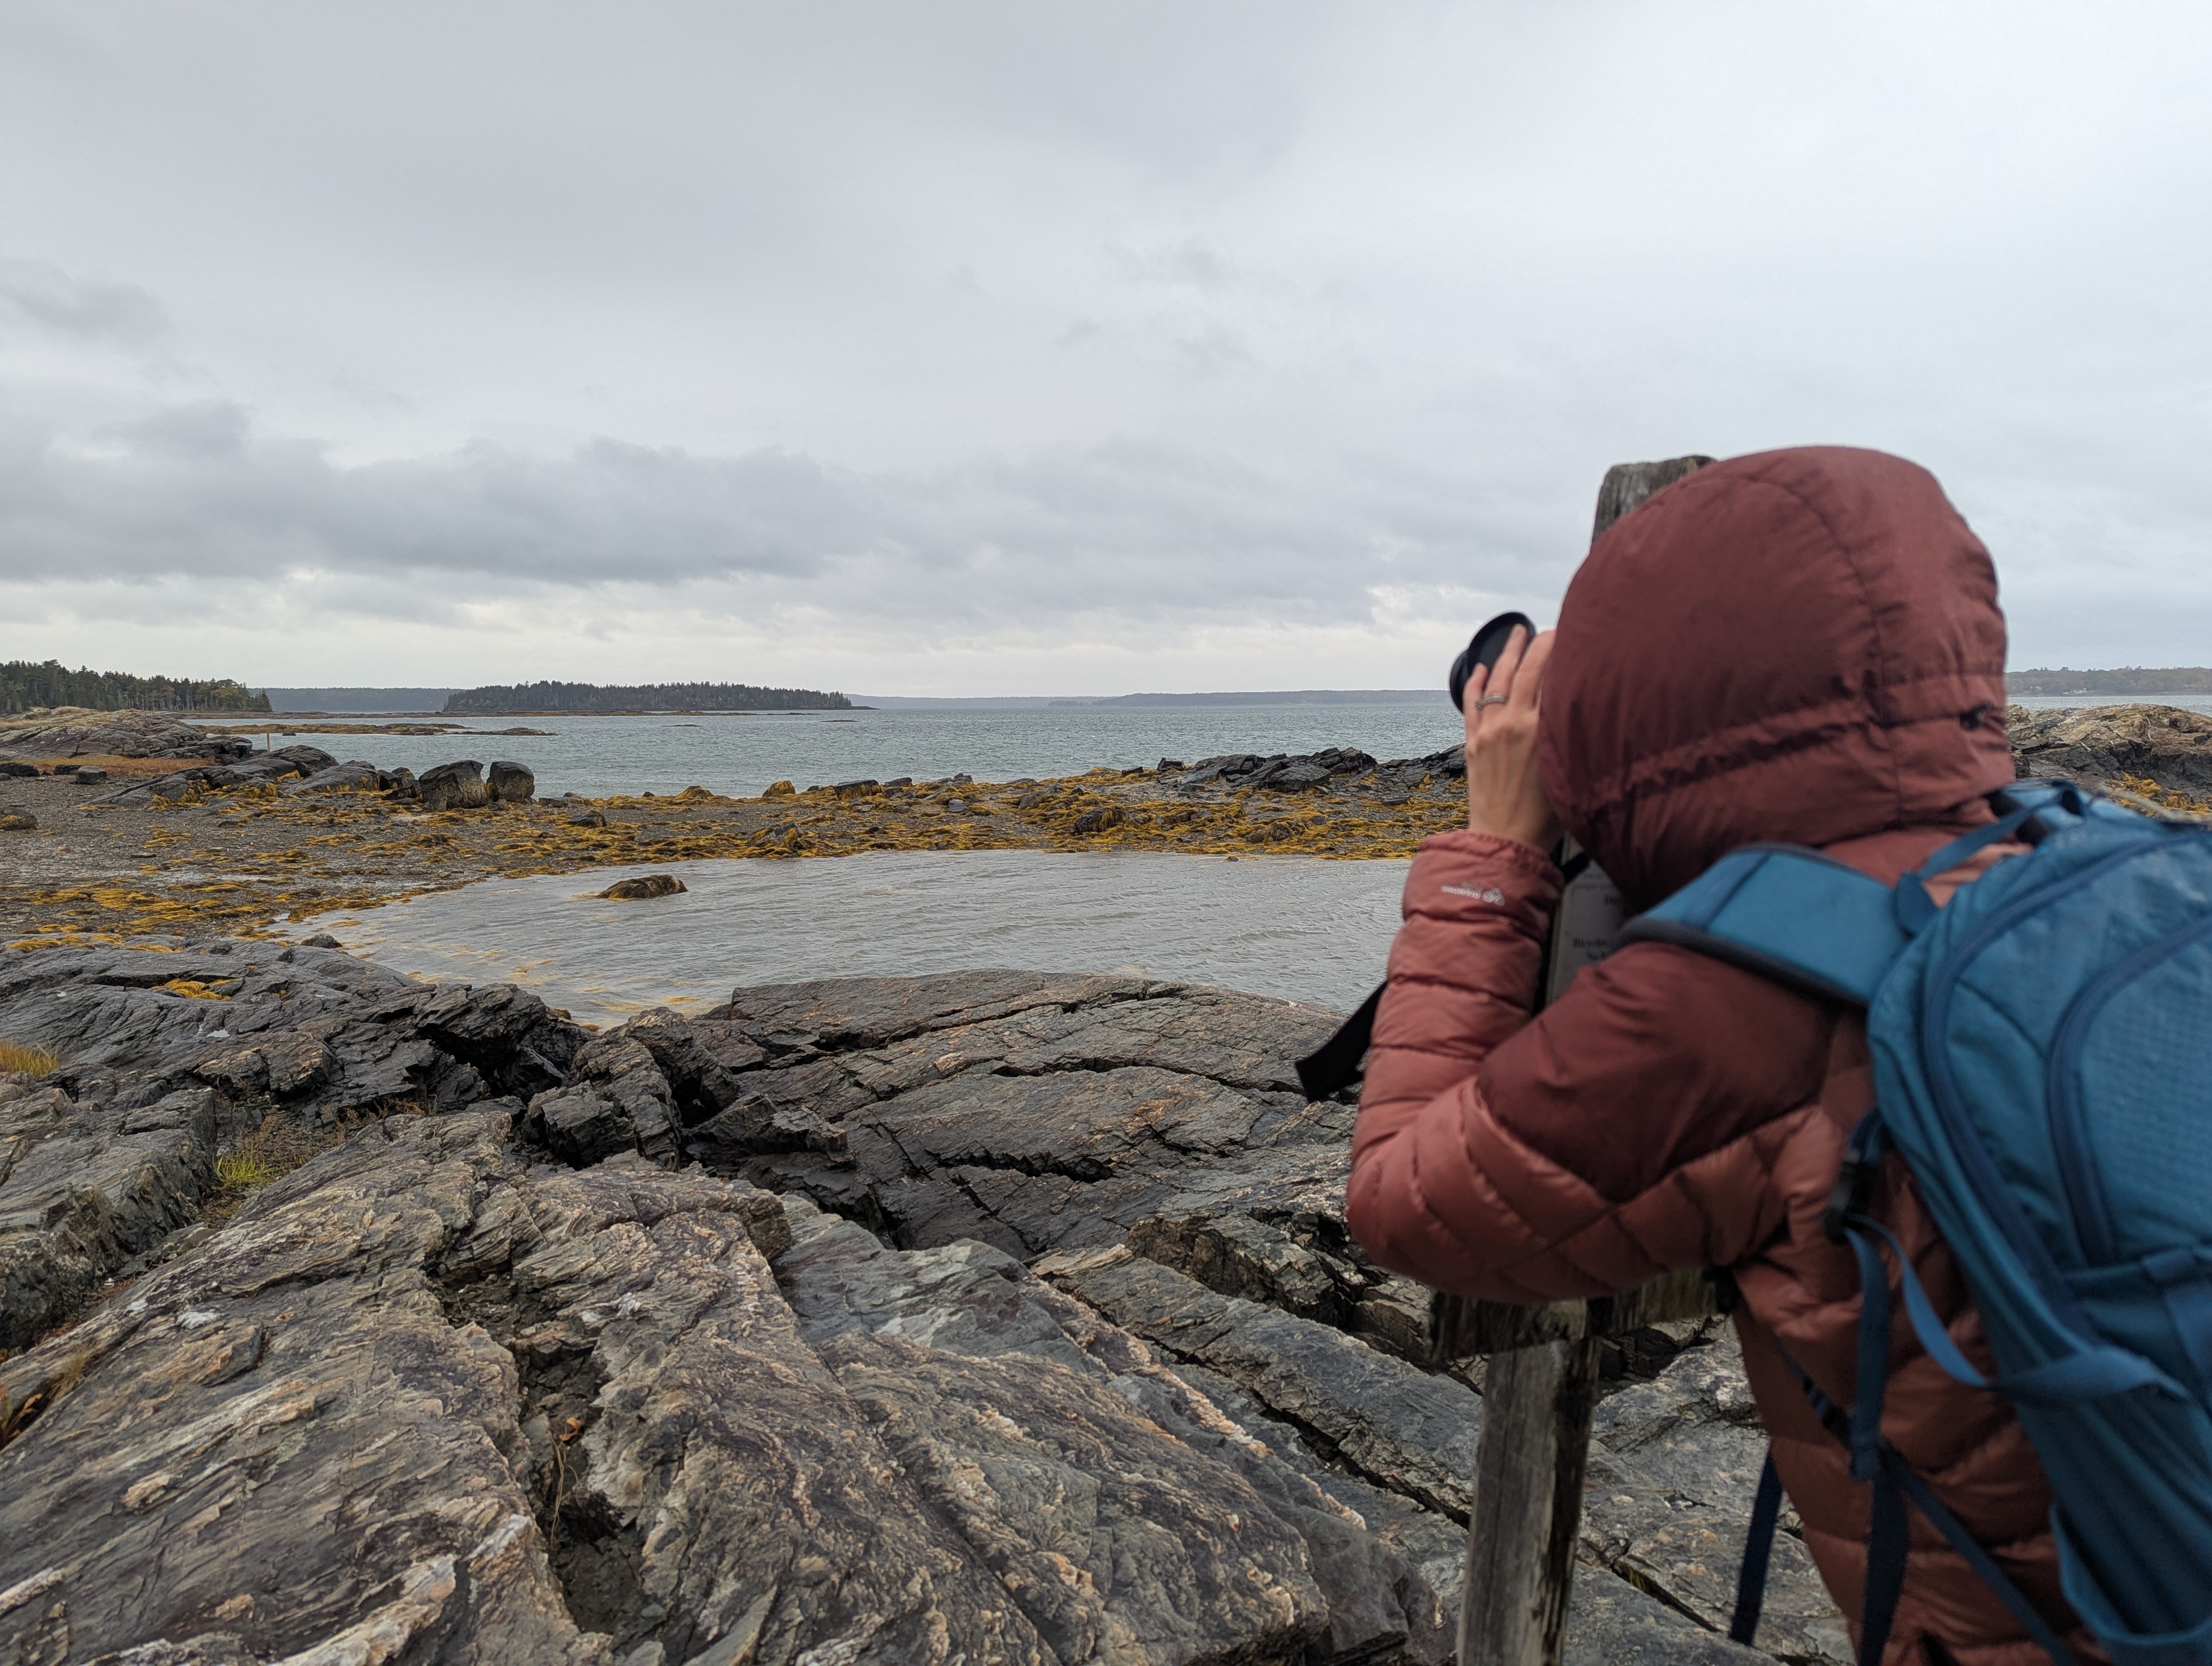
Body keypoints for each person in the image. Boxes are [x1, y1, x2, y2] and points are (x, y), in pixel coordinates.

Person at [1346, 446, 2094, 1664]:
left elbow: (1407, 1199)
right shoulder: (2089, 868)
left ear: (1645, 684)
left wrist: (1494, 857)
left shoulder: (1744, 999)